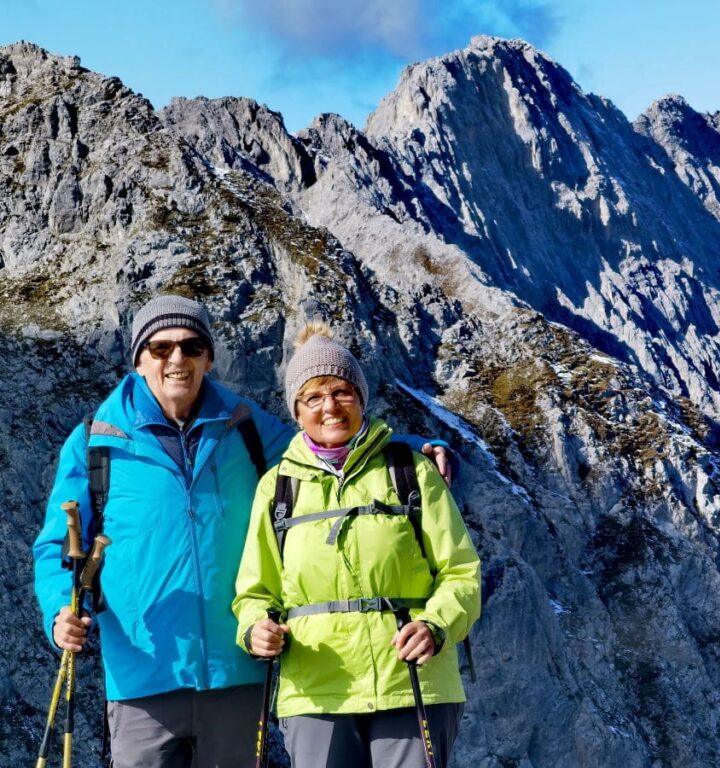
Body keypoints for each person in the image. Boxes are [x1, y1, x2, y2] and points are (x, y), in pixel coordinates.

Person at [33, 295, 453, 767]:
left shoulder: (246, 427)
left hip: (239, 673)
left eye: (192, 347)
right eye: (161, 348)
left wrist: (415, 447)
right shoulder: (96, 441)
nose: (177, 360)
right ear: (138, 359)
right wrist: (57, 613)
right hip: (142, 672)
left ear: (209, 358)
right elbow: (56, 547)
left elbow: (327, 443)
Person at [234, 323, 481, 768]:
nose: (330, 406)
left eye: (342, 391)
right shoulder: (277, 488)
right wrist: (255, 630)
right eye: (313, 397)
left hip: (412, 682)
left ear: (361, 399)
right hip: (316, 690)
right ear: (296, 410)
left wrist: (436, 625)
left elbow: (461, 571)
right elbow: (255, 591)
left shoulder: (411, 471)